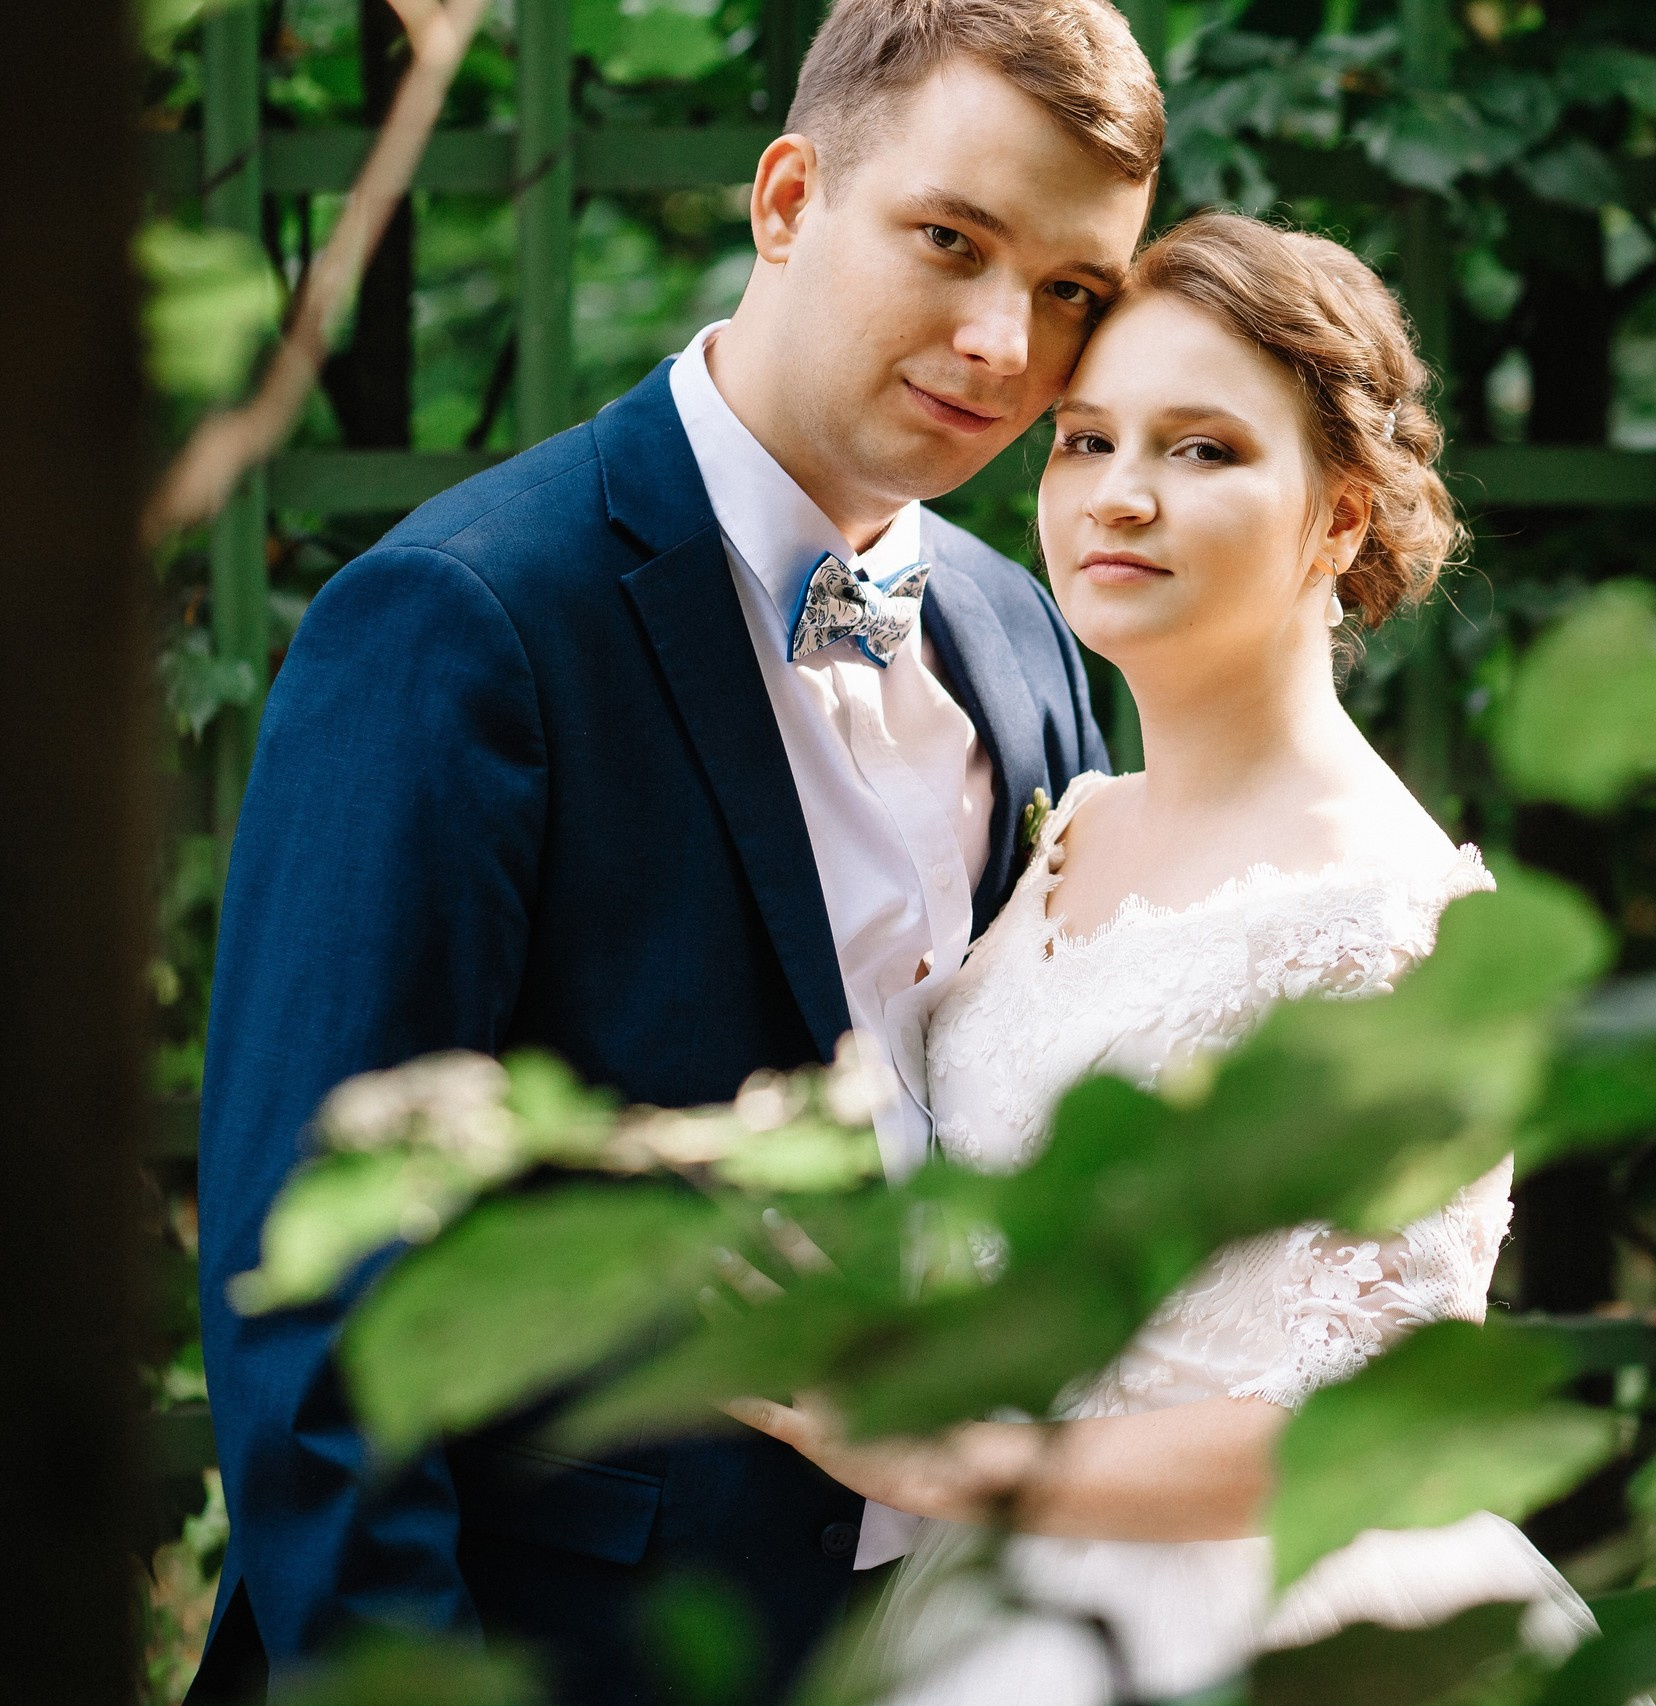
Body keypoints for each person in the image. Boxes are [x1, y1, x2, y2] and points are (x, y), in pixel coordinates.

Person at [189, 5, 1158, 1702]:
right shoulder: (464, 620)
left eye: (1073, 289)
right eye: (951, 241)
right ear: (787, 199)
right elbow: (315, 1287)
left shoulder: (1022, 633)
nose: (1007, 343)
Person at [728, 212, 1597, 1705]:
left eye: (1203, 450)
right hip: (991, 1602)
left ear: (1338, 516)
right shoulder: (1079, 819)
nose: (1119, 497)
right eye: (1084, 441)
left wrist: (960, 1455)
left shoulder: (1403, 919)